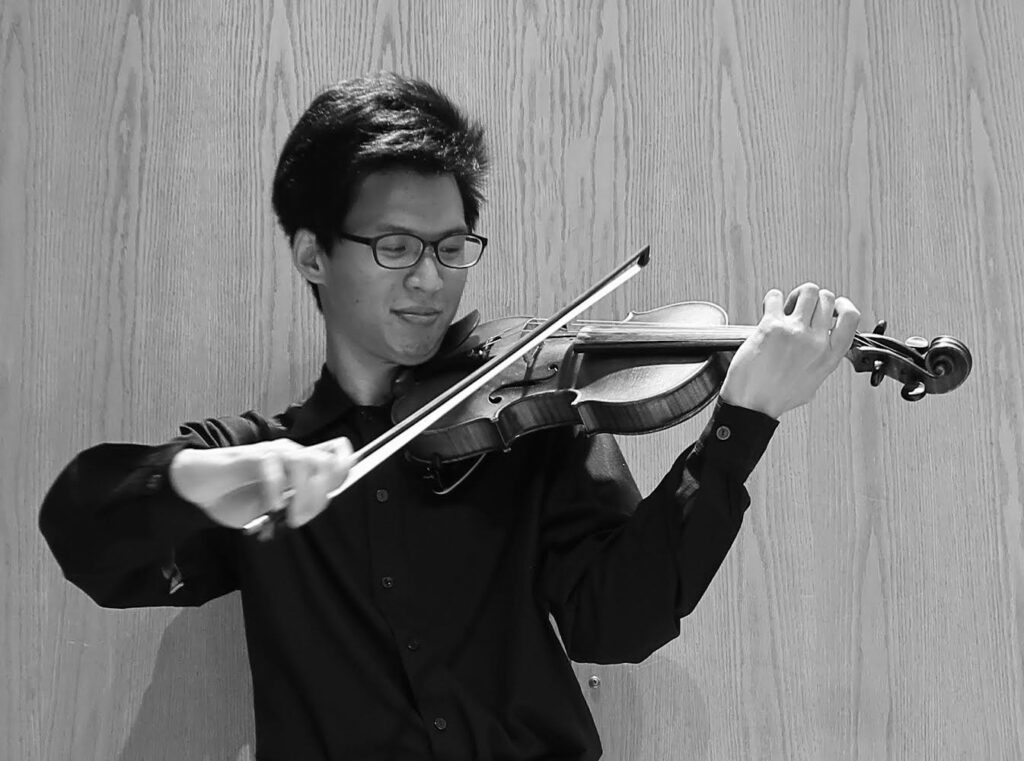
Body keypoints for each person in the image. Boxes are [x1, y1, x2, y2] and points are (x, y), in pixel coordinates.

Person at [39, 72, 860, 761]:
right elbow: (84, 533)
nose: (431, 281)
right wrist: (193, 480)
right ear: (312, 253)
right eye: (395, 247)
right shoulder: (266, 464)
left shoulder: (529, 426)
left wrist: (741, 422)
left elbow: (620, 619)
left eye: (452, 245)